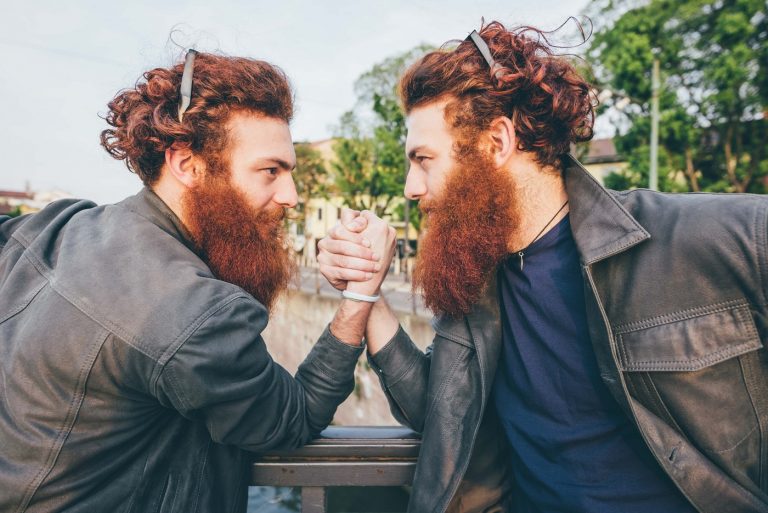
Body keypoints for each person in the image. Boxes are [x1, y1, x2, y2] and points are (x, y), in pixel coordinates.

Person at [319, 21, 768, 513]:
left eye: (424, 159)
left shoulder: (719, 235)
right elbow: (444, 417)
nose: (411, 187)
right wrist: (371, 295)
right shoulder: (477, 282)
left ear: (497, 142)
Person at [0, 50, 395, 513]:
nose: (290, 196)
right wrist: (360, 293)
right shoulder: (195, 312)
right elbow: (293, 417)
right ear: (187, 164)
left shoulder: (54, 226)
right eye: (270, 171)